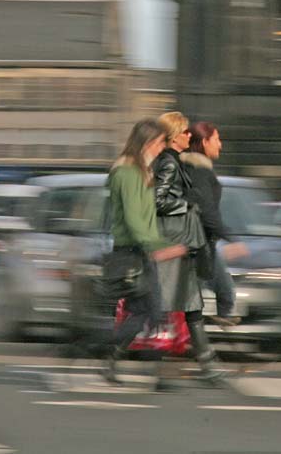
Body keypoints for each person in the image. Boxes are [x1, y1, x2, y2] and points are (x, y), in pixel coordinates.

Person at [101, 118, 186, 387]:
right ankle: (157, 376)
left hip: (140, 252)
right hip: (133, 253)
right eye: (161, 142)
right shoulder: (127, 173)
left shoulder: (140, 171)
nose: (163, 148)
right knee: (152, 311)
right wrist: (160, 247)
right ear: (149, 142)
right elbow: (135, 221)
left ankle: (112, 359)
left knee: (146, 313)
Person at [153, 111, 229, 385]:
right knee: (172, 307)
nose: (189, 136)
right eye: (185, 132)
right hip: (173, 245)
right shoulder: (170, 164)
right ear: (175, 136)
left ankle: (203, 367)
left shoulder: (174, 162)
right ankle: (118, 356)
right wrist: (189, 205)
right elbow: (159, 202)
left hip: (180, 245)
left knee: (190, 306)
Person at [182, 122, 250, 327]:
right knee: (218, 290)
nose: (220, 145)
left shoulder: (191, 169)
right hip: (197, 243)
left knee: (221, 291)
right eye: (217, 139)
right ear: (204, 142)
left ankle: (203, 335)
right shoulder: (199, 171)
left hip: (198, 241)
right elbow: (206, 209)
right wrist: (229, 238)